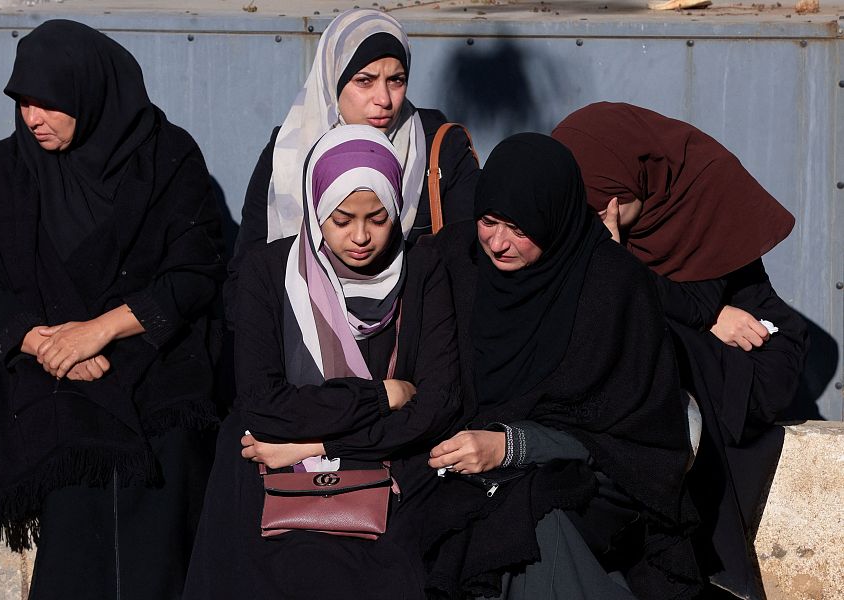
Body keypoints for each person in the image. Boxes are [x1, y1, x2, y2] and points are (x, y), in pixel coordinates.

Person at [0, 20, 225, 600]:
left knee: (165, 493)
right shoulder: (9, 168)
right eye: (22, 102)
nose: (31, 118)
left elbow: (195, 271)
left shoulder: (166, 158)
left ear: (90, 93)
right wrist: (44, 345)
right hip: (45, 373)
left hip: (153, 362)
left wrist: (97, 333)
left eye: (47, 103)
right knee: (72, 496)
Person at [184, 125, 461, 599]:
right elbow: (261, 404)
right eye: (341, 219)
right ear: (315, 210)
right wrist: (379, 396)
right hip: (275, 479)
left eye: (378, 218)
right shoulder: (268, 273)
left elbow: (437, 405)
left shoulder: (423, 269)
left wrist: (311, 442)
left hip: (386, 474)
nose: (360, 237)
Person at [422, 133, 701, 600]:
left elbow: (639, 438)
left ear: (555, 217)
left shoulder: (612, 286)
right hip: (462, 465)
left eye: (521, 227)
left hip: (595, 475)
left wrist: (515, 446)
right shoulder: (456, 260)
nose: (499, 242)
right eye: (488, 221)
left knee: (532, 523)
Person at [552, 101, 808, 598]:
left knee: (660, 344)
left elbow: (693, 300)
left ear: (629, 188)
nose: (588, 226)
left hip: (753, 351)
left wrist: (614, 259)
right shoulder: (605, 219)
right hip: (703, 334)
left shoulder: (702, 185)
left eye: (598, 210)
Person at [225, 8, 479, 318]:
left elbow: (467, 264)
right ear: (333, 78)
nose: (383, 99)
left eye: (396, 80)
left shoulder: (439, 148)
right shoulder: (290, 150)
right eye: (364, 81)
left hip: (412, 343)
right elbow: (247, 272)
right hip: (304, 341)